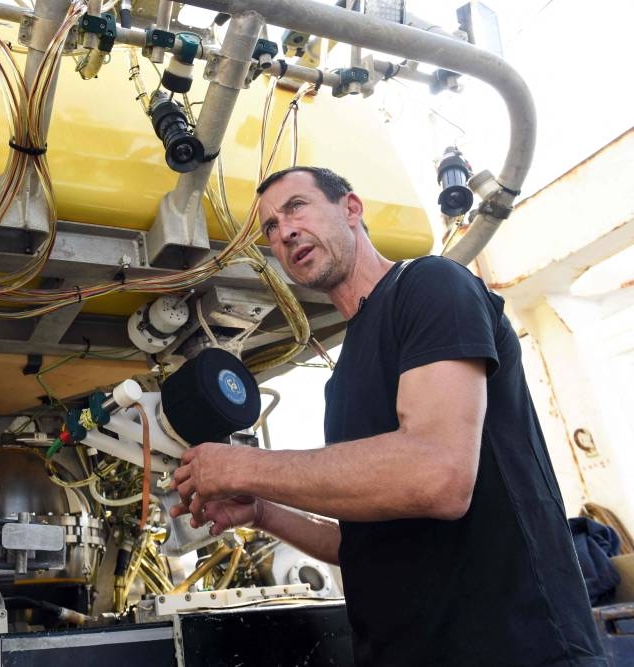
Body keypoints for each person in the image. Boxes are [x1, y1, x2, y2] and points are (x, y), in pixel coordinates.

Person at [169, 166, 607, 666]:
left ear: (351, 209)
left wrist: (242, 465)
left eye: (296, 207)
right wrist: (263, 511)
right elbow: (361, 544)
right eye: (270, 228)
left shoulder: (430, 285)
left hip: (514, 650)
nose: (284, 231)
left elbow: (436, 475)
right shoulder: (342, 380)